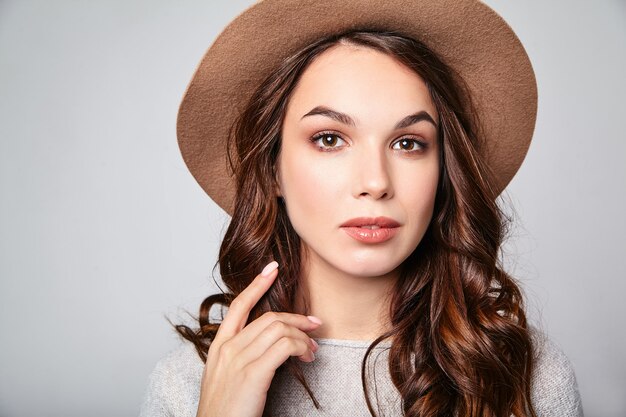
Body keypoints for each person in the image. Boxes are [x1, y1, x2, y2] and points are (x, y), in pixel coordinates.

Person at [140, 1, 584, 416]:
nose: (375, 182)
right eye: (329, 139)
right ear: (273, 170)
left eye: (408, 143)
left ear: (443, 172)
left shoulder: (526, 374)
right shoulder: (190, 384)